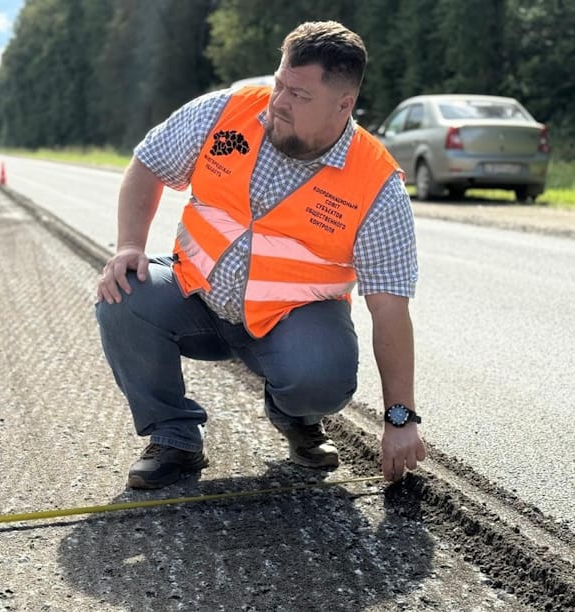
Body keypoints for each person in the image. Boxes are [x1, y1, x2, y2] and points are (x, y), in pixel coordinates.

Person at [96, 21, 425, 489]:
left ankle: (296, 417)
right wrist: (129, 245)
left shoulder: (376, 185)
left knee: (323, 374)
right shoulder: (227, 111)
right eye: (279, 84)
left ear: (344, 104)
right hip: (196, 295)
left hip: (291, 324)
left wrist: (399, 418)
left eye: (299, 95)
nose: (279, 102)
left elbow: (390, 308)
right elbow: (148, 163)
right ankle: (174, 438)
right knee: (122, 293)